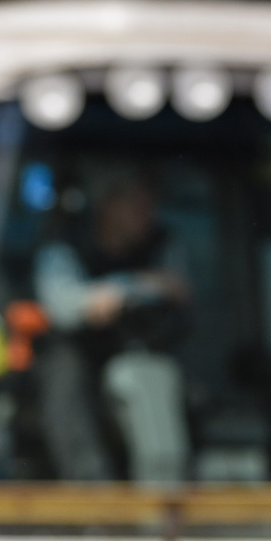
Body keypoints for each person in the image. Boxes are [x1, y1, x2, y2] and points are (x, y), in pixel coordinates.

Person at [34, 169, 193, 481]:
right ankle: (93, 499)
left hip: (141, 351)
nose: (148, 216)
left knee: (153, 377)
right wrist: (127, 289)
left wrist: (123, 292)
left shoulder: (163, 243)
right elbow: (62, 305)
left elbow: (180, 288)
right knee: (62, 374)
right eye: (137, 207)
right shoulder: (64, 245)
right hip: (80, 360)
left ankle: (165, 494)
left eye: (151, 207)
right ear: (108, 205)